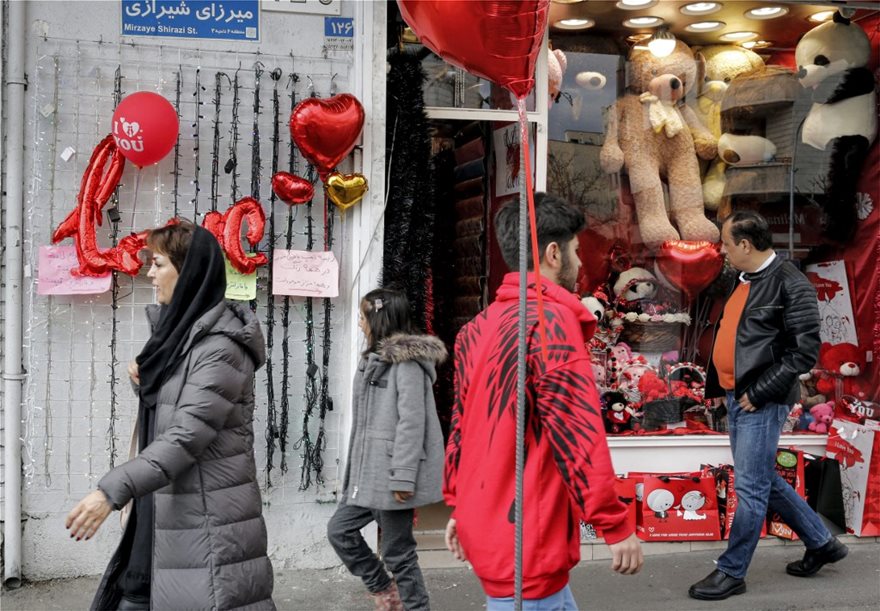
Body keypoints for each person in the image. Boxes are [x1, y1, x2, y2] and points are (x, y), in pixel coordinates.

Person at [443, 193, 643, 610]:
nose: (582, 263)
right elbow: (577, 432)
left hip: (496, 530)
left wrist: (460, 506)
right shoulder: (550, 322)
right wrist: (614, 522)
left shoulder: (477, 327)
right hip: (525, 540)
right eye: (575, 251)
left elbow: (462, 430)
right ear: (553, 253)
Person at [65, 221, 274, 610]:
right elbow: (172, 410)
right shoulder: (177, 337)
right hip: (162, 512)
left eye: (157, 263)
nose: (149, 273)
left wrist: (109, 492)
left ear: (188, 271)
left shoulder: (221, 348)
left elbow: (183, 438)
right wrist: (144, 380)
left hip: (205, 520)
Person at [690, 210, 848, 601]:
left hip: (761, 400)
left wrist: (758, 392)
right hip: (738, 394)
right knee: (759, 477)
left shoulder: (791, 284)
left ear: (745, 244)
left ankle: (732, 572)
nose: (723, 251)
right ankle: (822, 543)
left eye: (727, 243)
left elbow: (804, 353)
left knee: (751, 485)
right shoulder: (741, 278)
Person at [327, 288, 447, 611]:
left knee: (399, 554)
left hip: (394, 479)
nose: (359, 324)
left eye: (363, 317)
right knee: (340, 530)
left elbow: (412, 424)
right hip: (369, 476)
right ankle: (383, 586)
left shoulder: (406, 366)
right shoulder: (372, 362)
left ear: (379, 319)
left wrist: (404, 478)